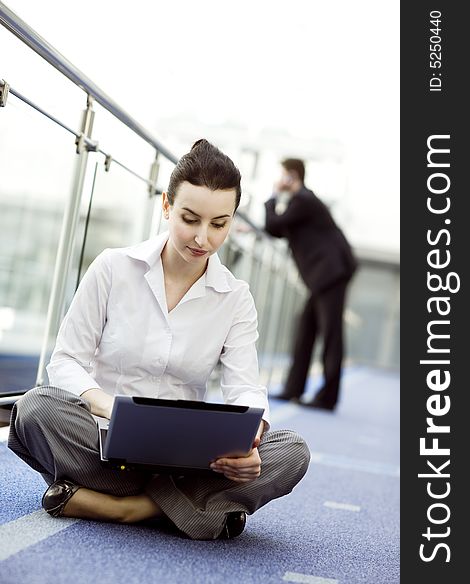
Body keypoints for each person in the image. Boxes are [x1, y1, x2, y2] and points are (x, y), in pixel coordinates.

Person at [8, 140, 310, 541]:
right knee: (34, 409)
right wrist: (109, 407)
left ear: (232, 221)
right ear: (167, 206)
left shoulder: (235, 298)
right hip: (102, 442)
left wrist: (249, 446)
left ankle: (123, 508)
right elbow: (65, 361)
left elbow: (245, 389)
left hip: (188, 459)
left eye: (219, 224)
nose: (202, 238)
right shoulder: (113, 268)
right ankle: (191, 510)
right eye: (190, 218)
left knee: (291, 451)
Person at [264, 158, 357, 411]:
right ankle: (294, 388)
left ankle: (328, 397)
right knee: (305, 328)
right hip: (322, 277)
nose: (281, 180)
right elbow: (276, 230)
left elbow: (274, 224)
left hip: (331, 273)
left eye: (284, 175)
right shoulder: (301, 204)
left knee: (331, 335)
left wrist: (273, 196)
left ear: (293, 177)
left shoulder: (304, 201)